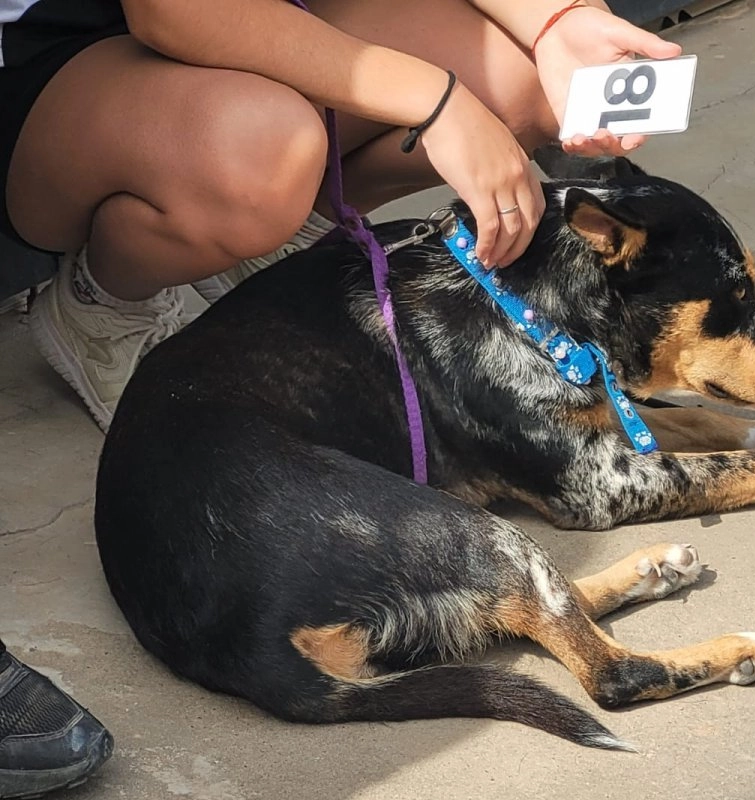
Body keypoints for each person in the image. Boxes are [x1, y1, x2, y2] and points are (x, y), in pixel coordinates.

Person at [0, 1, 680, 795]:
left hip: (266, 34)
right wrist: (440, 103)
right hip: (62, 61)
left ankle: (270, 233)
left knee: (527, 80)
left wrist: (556, 21)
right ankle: (107, 297)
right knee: (263, 149)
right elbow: (176, 15)